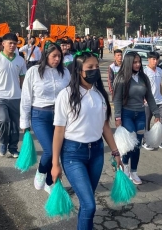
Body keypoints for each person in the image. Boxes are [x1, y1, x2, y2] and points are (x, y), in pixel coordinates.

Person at [51, 50, 122, 230]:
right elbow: (59, 131)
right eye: (90, 67)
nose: (95, 70)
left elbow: (105, 126)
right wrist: (55, 164)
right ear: (78, 71)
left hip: (97, 153)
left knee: (86, 202)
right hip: (73, 154)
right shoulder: (65, 95)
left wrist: (115, 152)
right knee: (90, 204)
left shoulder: (99, 95)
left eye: (97, 67)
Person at [20, 43, 70, 193]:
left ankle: (49, 182)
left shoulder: (65, 72)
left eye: (59, 56)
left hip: (61, 117)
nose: (57, 59)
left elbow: (71, 94)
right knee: (49, 150)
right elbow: (26, 97)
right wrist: (25, 121)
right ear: (46, 55)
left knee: (59, 151)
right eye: (54, 56)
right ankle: (41, 172)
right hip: (40, 115)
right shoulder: (34, 72)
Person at [113, 51, 160, 185]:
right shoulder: (121, 78)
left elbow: (149, 97)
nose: (138, 64)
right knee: (130, 142)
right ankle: (125, 167)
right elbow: (117, 99)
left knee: (137, 145)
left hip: (140, 114)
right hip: (126, 114)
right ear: (129, 63)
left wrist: (156, 113)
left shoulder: (143, 78)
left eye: (139, 62)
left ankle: (134, 171)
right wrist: (117, 117)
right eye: (135, 62)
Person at [0, 33, 27, 158]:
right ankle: (3, 143)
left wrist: (24, 94)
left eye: (15, 43)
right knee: (3, 121)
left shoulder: (20, 60)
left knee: (15, 125)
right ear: (3, 44)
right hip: (0, 96)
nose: (13, 46)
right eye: (10, 43)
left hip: (16, 97)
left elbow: (22, 78)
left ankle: (13, 148)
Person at [143, 52, 162, 150]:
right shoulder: (144, 71)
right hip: (148, 101)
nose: (155, 61)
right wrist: (143, 98)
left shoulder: (160, 70)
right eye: (153, 59)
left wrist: (161, 96)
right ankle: (146, 141)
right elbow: (142, 86)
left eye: (157, 59)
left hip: (160, 100)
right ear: (149, 59)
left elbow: (160, 85)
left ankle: (158, 138)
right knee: (146, 121)